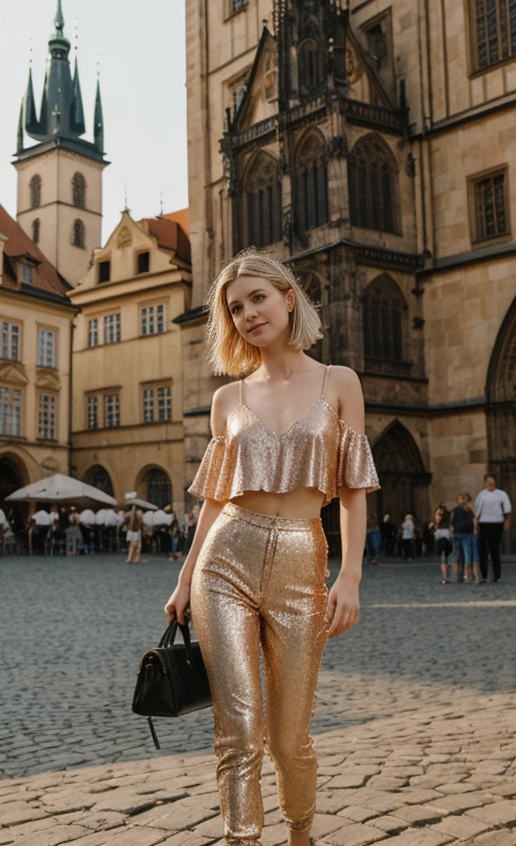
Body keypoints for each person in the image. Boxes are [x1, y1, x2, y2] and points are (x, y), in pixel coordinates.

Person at [164, 250, 379, 846]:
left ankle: (301, 836)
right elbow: (213, 499)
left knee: (289, 738)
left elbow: (354, 491)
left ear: (289, 297)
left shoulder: (340, 382)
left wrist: (351, 576)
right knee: (238, 730)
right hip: (224, 561)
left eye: (258, 298)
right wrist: (184, 580)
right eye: (235, 308)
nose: (248, 314)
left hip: (300, 558)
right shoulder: (227, 400)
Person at [474, 474, 512, 583]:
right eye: (488, 481)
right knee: (482, 551)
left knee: (494, 550)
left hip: (497, 523)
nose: (490, 482)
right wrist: (475, 524)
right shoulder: (482, 495)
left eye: (492, 480)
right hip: (484, 523)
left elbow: (507, 509)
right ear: (485, 482)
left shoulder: (501, 494)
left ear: (495, 482)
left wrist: (507, 521)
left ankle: (497, 576)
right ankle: (484, 576)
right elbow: (476, 511)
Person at [450, 493, 474, 583]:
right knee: (464, 554)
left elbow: (452, 522)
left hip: (460, 533)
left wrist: (456, 527)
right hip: (464, 534)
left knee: (457, 554)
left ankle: (457, 575)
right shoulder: (468, 510)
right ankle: (465, 575)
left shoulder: (457, 510)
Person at [433, 505, 452, 584]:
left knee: (443, 558)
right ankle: (448, 576)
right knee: (446, 557)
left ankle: (445, 577)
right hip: (447, 534)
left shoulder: (438, 517)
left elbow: (437, 524)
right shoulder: (448, 519)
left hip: (441, 535)